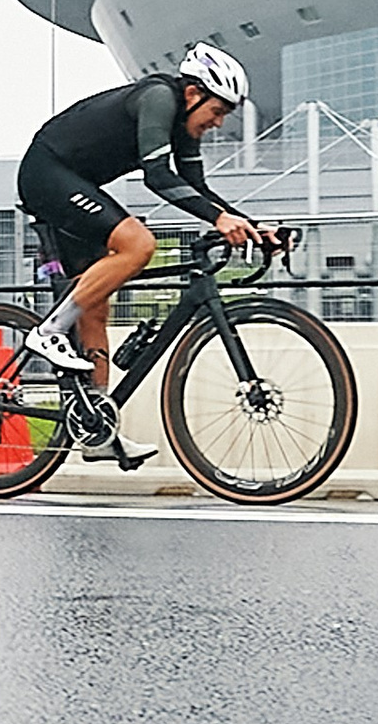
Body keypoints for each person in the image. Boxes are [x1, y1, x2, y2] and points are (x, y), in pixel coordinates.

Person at [16, 43, 268, 466]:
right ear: (193, 94)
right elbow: (157, 177)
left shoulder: (183, 129)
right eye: (219, 110)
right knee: (139, 244)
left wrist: (253, 228)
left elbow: (199, 191)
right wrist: (219, 220)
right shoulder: (158, 98)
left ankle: (95, 429)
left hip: (79, 185)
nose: (219, 122)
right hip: (47, 172)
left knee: (95, 310)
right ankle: (48, 332)